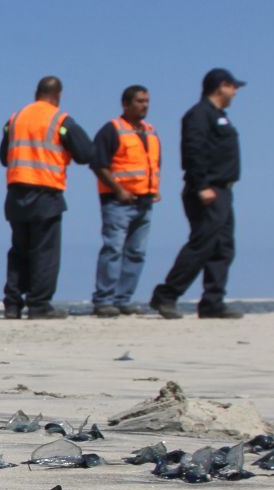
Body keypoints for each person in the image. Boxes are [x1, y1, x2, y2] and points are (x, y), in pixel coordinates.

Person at [148, 68, 245, 319]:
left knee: (223, 247)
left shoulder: (219, 115)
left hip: (223, 190)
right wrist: (201, 185)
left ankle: (213, 302)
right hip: (207, 189)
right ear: (221, 86)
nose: (235, 92)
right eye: (233, 87)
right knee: (202, 244)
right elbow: (193, 151)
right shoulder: (199, 115)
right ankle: (166, 295)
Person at [0, 76, 93, 320]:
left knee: (19, 249)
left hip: (16, 191)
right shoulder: (59, 119)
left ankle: (12, 304)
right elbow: (85, 152)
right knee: (45, 251)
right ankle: (39, 304)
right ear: (58, 95)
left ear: (36, 92)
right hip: (45, 192)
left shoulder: (15, 118)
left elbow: (3, 156)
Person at [90, 86, 160, 317]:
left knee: (137, 252)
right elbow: (98, 164)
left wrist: (154, 189)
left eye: (147, 101)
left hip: (144, 201)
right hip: (118, 202)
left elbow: (154, 164)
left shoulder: (150, 131)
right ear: (126, 104)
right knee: (113, 249)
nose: (145, 105)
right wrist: (118, 190)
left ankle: (123, 298)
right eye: (140, 101)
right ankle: (104, 300)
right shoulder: (112, 130)